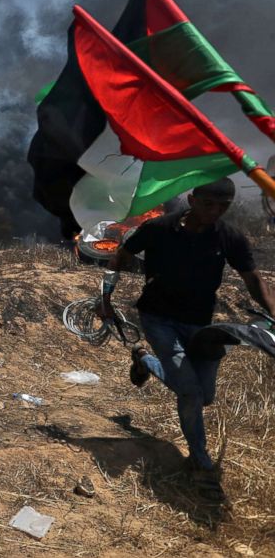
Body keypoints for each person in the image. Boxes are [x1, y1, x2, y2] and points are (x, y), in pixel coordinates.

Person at [100, 178, 275, 498]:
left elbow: (253, 279)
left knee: (204, 395)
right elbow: (121, 255)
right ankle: (200, 461)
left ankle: (145, 361)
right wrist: (106, 298)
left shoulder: (229, 237)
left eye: (224, 206)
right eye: (209, 204)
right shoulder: (159, 229)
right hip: (158, 318)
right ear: (192, 200)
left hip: (200, 325)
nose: (216, 211)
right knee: (191, 393)